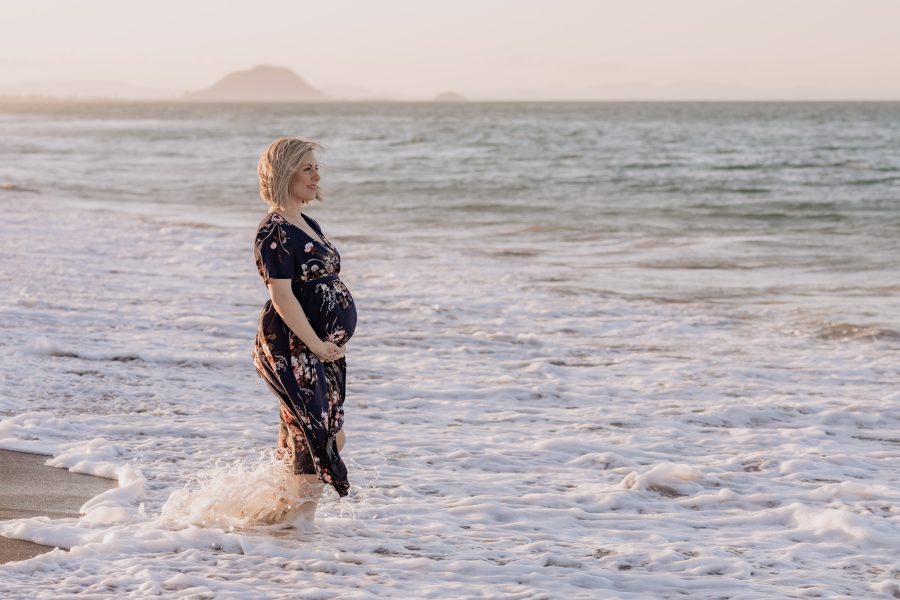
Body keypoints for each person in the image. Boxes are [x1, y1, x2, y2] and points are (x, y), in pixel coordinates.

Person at [252, 136, 357, 522]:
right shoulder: (275, 230)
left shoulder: (306, 221)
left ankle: (274, 523)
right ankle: (293, 534)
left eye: (316, 168)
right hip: (294, 347)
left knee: (317, 437)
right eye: (307, 168)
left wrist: (329, 343)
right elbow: (281, 296)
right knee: (318, 441)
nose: (316, 176)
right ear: (284, 174)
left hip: (318, 349)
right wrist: (315, 344)